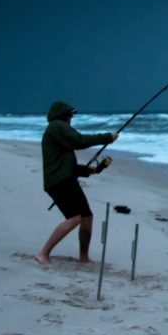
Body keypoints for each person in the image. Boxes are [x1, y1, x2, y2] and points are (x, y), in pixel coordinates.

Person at [36, 100, 117, 265]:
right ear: (65, 115)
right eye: (71, 115)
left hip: (64, 179)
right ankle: (43, 253)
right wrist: (107, 137)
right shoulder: (57, 126)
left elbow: (66, 164)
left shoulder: (56, 130)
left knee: (87, 216)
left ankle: (84, 258)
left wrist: (89, 171)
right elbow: (78, 141)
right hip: (60, 181)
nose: (71, 118)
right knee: (75, 217)